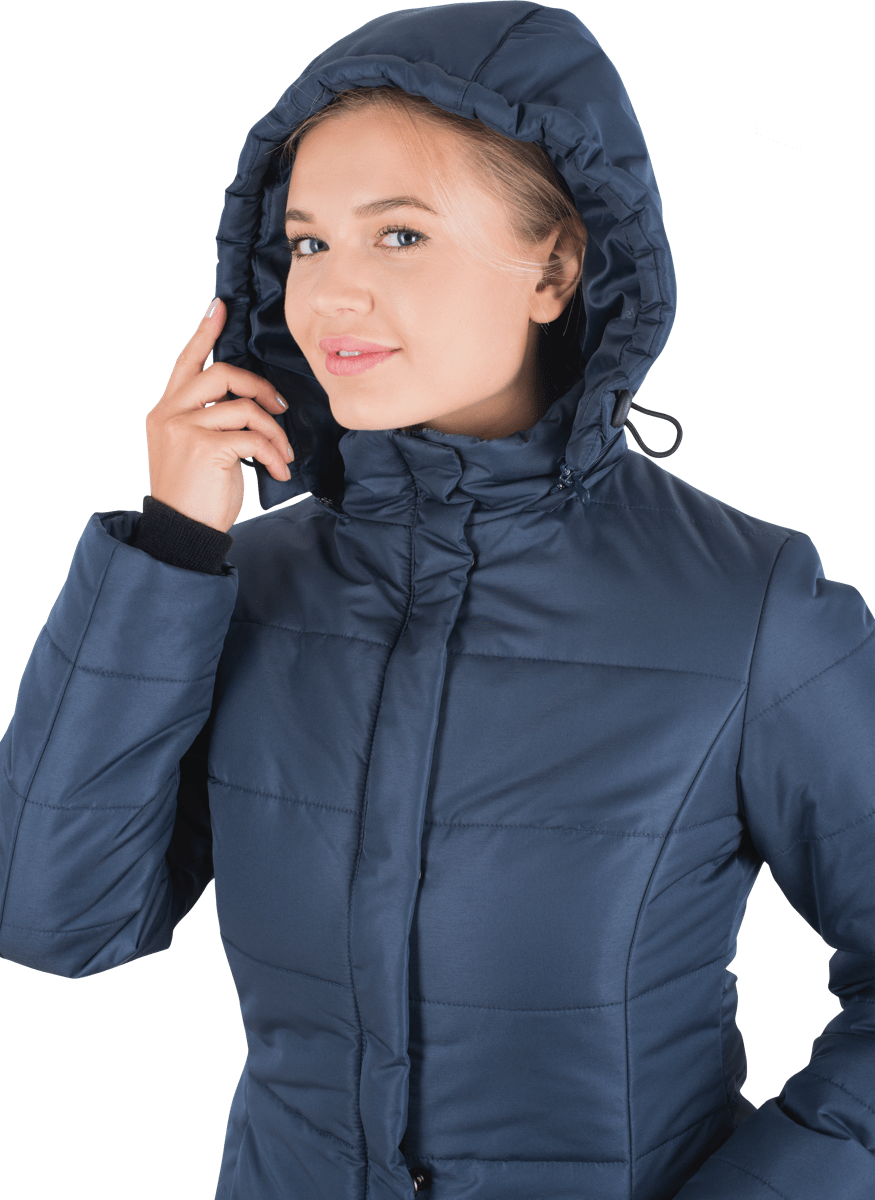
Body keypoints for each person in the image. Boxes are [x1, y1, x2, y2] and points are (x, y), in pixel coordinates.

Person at [1, 4, 872, 1199]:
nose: (330, 296)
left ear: (553, 267)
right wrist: (170, 546)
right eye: (307, 244)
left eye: (399, 235)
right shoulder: (241, 584)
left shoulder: (746, 605)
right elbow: (54, 920)